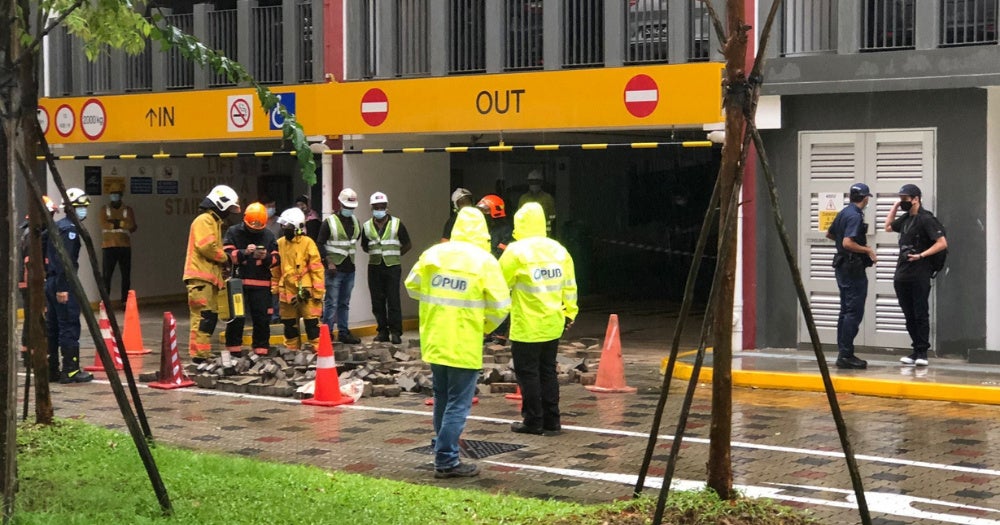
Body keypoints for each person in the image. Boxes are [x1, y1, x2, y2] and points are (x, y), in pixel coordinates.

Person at [404, 207, 510, 479]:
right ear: (483, 231)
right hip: (464, 341)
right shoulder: (484, 261)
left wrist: (436, 307)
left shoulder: (434, 254)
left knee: (441, 397)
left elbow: (412, 286)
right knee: (458, 404)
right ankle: (447, 459)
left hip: (435, 339)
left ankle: (442, 448)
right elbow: (500, 306)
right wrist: (482, 327)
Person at [499, 202, 578, 435]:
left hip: (526, 326)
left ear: (519, 223)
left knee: (528, 374)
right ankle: (553, 421)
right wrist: (569, 313)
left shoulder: (515, 251)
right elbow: (570, 286)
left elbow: (499, 285)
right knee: (548, 372)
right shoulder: (559, 250)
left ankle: (533, 421)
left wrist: (492, 321)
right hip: (553, 323)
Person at [885, 183, 948, 367]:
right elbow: (888, 226)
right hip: (903, 272)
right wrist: (896, 207)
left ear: (916, 199)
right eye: (901, 199)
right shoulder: (905, 219)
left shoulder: (926, 219)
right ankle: (915, 350)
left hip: (920, 271)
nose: (903, 202)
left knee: (920, 312)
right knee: (908, 313)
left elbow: (942, 243)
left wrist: (921, 255)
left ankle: (922, 352)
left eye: (905, 199)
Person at [184, 185, 241, 361]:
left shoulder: (213, 222)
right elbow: (207, 246)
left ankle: (202, 354)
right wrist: (225, 258)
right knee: (203, 317)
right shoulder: (205, 220)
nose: (229, 213)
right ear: (220, 204)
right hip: (200, 279)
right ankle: (199, 355)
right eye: (229, 208)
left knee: (208, 317)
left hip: (207, 279)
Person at [826, 183, 877, 370]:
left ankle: (844, 352)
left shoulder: (843, 212)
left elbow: (830, 234)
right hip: (852, 267)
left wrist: (841, 244)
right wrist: (867, 250)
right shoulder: (854, 215)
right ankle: (846, 355)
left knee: (845, 310)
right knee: (853, 311)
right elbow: (848, 242)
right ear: (865, 198)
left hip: (842, 267)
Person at [46, 188, 94, 383]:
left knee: (54, 327)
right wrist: (62, 287)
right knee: (68, 325)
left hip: (51, 282)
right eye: (81, 207)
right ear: (72, 208)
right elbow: (64, 261)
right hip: (62, 283)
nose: (84, 211)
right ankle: (71, 369)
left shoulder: (57, 226)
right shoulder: (70, 230)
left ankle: (52, 370)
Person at [222, 202, 278, 360]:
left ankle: (261, 350)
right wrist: (244, 253)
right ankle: (234, 350)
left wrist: (266, 257)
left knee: (262, 318)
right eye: (252, 227)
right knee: (236, 318)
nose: (254, 230)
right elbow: (226, 255)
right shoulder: (234, 232)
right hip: (238, 283)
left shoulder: (268, 235)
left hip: (261, 284)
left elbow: (276, 258)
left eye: (258, 228)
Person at [361, 191, 412, 344]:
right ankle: (382, 331)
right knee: (377, 301)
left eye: (381, 207)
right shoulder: (367, 226)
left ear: (386, 207)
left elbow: (407, 244)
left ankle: (396, 332)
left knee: (393, 300)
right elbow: (365, 246)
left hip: (392, 267)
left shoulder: (397, 224)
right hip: (375, 266)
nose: (379, 209)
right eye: (376, 207)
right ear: (372, 208)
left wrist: (395, 254)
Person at [272, 207, 325, 350]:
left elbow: (317, 269)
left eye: (287, 226)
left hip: (306, 292)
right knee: (289, 327)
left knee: (312, 325)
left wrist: (316, 293)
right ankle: (292, 353)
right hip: (286, 293)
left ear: (297, 227)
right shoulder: (279, 243)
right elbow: (275, 269)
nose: (284, 228)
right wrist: (275, 288)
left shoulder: (307, 243)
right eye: (283, 225)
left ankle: (318, 353)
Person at [317, 188, 362, 345]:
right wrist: (328, 262)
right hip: (334, 270)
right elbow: (320, 243)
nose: (350, 210)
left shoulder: (356, 222)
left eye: (352, 208)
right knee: (331, 302)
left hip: (350, 269)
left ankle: (344, 332)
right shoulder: (329, 222)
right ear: (340, 204)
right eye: (347, 207)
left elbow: (354, 241)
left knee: (344, 303)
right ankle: (327, 334)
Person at [477, 194, 514, 343]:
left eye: (486, 211)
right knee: (485, 301)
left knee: (501, 300)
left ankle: (500, 334)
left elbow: (502, 250)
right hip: (485, 270)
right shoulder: (485, 228)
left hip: (500, 270)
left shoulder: (506, 229)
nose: (484, 215)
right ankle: (487, 330)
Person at [99, 181, 138, 306]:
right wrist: (122, 222)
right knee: (106, 276)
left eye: (116, 194)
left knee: (126, 276)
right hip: (108, 246)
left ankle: (125, 301)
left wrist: (116, 223)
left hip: (124, 246)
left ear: (121, 195)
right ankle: (105, 302)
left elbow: (131, 225)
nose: (114, 196)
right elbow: (103, 223)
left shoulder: (128, 210)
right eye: (112, 194)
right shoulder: (104, 209)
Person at [518, 169, 556, 236]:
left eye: (536, 182)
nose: (534, 184)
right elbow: (519, 216)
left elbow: (552, 215)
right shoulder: (523, 198)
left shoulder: (548, 198)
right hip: (527, 232)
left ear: (541, 183)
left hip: (544, 232)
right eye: (532, 182)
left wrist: (545, 221)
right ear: (528, 182)